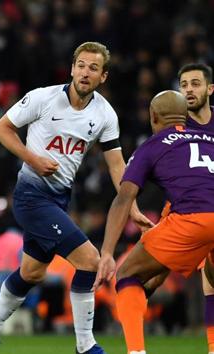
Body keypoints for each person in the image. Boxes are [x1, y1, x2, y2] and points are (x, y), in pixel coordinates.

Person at [0, 42, 154, 354]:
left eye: (93, 68)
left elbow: (116, 165)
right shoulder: (43, 98)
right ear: (72, 68)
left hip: (59, 199)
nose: (85, 72)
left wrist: (132, 205)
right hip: (30, 196)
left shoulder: (105, 114)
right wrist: (33, 159)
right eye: (81, 65)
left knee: (32, 272)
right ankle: (86, 345)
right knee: (90, 261)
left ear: (103, 76)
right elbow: (1, 129)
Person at [93, 90, 214, 354]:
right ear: (185, 115)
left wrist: (107, 252)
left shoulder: (155, 144)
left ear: (153, 117)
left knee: (127, 274)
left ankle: (136, 351)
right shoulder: (211, 139)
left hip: (194, 219)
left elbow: (124, 198)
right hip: (200, 216)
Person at [141, 63, 214, 352]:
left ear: (210, 89)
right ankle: (131, 313)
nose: (188, 90)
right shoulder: (176, 127)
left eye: (195, 84)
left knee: (210, 281)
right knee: (154, 276)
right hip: (182, 207)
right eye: (183, 85)